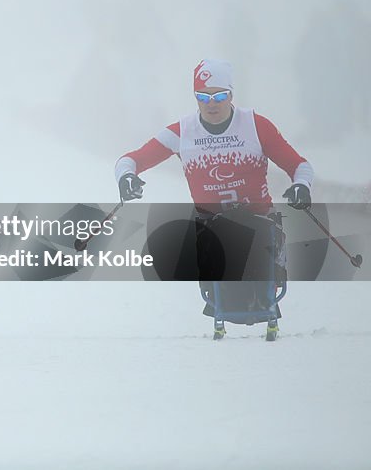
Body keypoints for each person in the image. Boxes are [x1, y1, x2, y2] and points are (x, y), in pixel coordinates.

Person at [114, 58, 313, 338]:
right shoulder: (181, 131)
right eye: (203, 97)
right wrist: (127, 178)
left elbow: (299, 165)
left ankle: (263, 302)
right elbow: (130, 160)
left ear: (231, 95)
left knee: (252, 236)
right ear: (195, 97)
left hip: (259, 220)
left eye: (220, 95)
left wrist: (301, 185)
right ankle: (226, 304)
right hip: (212, 224)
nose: (212, 103)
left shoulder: (256, 125)